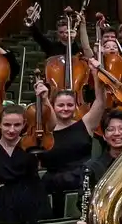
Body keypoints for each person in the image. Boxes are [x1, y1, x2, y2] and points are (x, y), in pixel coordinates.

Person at [27, 77, 105, 215]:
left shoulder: (86, 123)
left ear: (75, 106)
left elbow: (100, 101)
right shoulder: (44, 130)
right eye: (61, 105)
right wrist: (44, 98)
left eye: (70, 105)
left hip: (81, 182)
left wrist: (97, 74)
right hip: (53, 186)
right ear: (53, 106)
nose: (65, 108)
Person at [0, 104, 47, 224]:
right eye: (7, 125)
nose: (12, 130)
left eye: (17, 125)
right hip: (5, 206)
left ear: (24, 124)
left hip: (33, 203)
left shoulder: (33, 146)